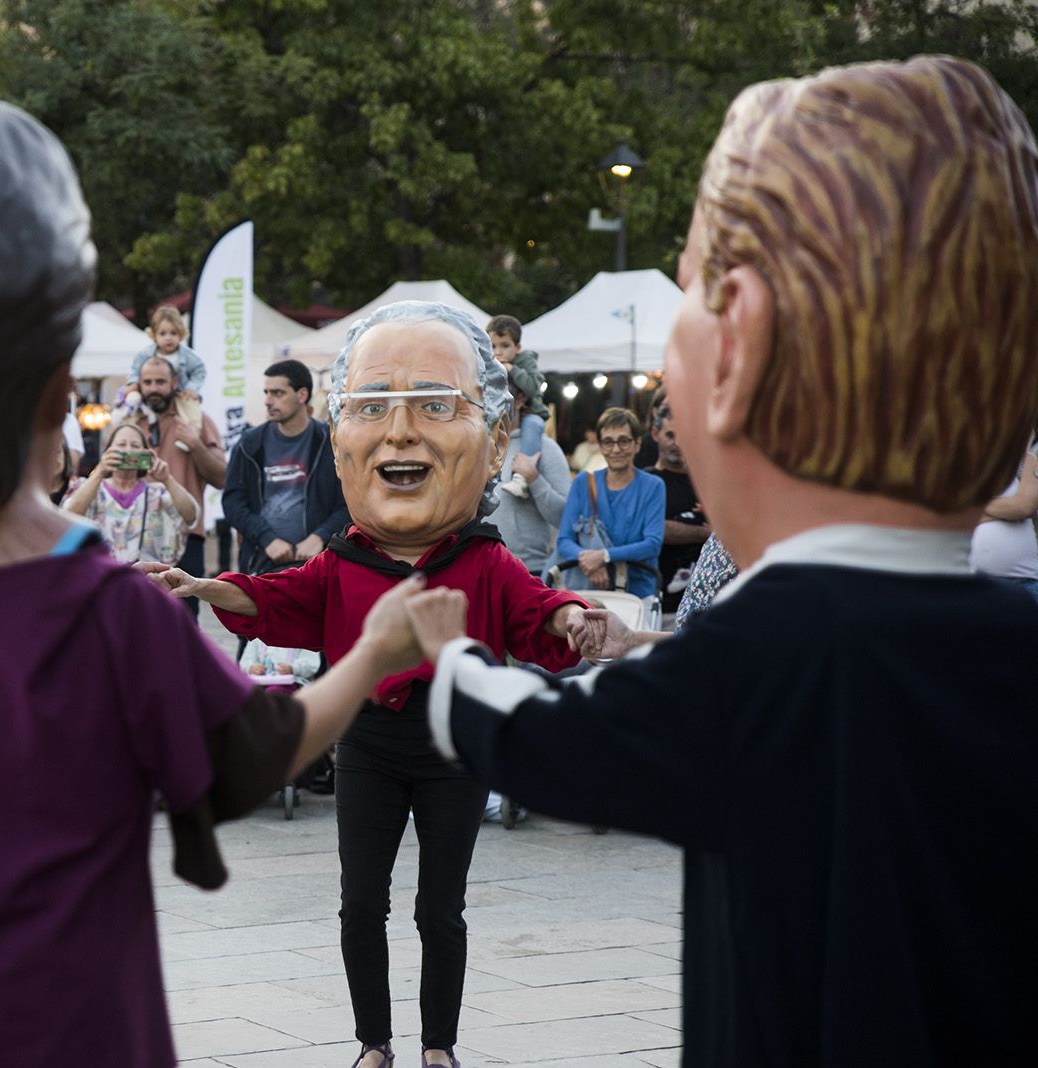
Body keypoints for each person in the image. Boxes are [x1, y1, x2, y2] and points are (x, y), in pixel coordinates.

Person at [0, 97, 452, 1067]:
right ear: (56, 387)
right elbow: (255, 750)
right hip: (57, 1029)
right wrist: (378, 651)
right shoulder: (98, 601)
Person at [411, 56, 1038, 1065]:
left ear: (737, 346)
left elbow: (550, 739)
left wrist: (449, 662)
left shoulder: (760, 653)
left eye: (693, 284)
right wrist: (646, 639)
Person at [148, 301, 596, 1068]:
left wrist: (572, 619)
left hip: (456, 745)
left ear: (489, 440)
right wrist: (202, 585)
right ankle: (373, 1044)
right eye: (374, 408)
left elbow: (537, 612)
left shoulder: (482, 560)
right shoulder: (344, 562)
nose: (400, 433)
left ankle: (439, 1047)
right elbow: (275, 598)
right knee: (362, 904)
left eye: (430, 406)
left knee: (440, 909)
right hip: (369, 746)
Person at [223, 358, 350, 575]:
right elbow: (233, 502)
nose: (267, 401)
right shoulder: (249, 444)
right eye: (266, 393)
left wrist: (320, 536)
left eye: (277, 393)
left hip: (321, 565)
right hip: (263, 563)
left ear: (301, 395)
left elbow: (351, 501)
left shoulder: (331, 443)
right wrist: (266, 538)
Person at [133, 354, 227, 617]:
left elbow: (223, 478)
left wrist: (196, 444)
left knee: (182, 619)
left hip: (185, 538)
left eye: (160, 381)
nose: (153, 388)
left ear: (175, 382)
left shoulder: (195, 420)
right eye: (147, 381)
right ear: (138, 384)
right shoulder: (129, 422)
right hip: (132, 538)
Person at [553, 407, 665, 596]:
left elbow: (652, 544)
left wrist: (603, 557)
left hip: (636, 592)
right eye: (608, 442)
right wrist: (589, 561)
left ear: (637, 444)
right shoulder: (583, 482)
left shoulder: (653, 486)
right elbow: (564, 540)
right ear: (600, 446)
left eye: (623, 441)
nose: (615, 449)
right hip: (588, 591)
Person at [62, 420, 197, 564]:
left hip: (146, 580)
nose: (127, 450)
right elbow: (67, 516)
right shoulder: (89, 488)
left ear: (146, 453)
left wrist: (167, 479)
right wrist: (99, 472)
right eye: (121, 445)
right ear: (108, 451)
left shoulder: (158, 493)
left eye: (135, 446)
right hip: (98, 579)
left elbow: (190, 516)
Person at [486, 385, 572, 579]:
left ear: (519, 400)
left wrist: (534, 479)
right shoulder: (475, 445)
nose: (494, 402)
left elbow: (565, 516)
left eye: (503, 396)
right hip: (482, 569)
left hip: (528, 572)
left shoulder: (546, 448)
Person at [646, 391, 711, 613]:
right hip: (661, 603)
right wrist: (707, 532)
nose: (677, 443)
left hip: (707, 603)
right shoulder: (646, 482)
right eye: (670, 434)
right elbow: (654, 530)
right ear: (655, 433)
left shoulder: (708, 481)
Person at [486, 315, 551, 501]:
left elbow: (533, 387)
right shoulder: (488, 364)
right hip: (498, 415)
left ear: (518, 348)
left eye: (505, 346)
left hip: (529, 413)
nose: (498, 351)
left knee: (533, 426)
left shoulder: (526, 362)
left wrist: (511, 369)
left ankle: (521, 478)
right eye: (493, 346)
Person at [971, 436, 1038, 601]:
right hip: (971, 582)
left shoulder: (1028, 461)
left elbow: (1023, 507)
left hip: (1023, 581)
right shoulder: (960, 464)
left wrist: (972, 505)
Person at [128, 305, 206, 435]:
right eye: (163, 334)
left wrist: (192, 388)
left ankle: (192, 435)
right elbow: (135, 369)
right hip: (153, 396)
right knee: (132, 406)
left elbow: (199, 371)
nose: (168, 338)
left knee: (192, 411)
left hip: (180, 393)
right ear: (154, 335)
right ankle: (130, 433)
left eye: (173, 333)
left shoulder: (187, 355)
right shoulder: (146, 354)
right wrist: (133, 383)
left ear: (181, 334)